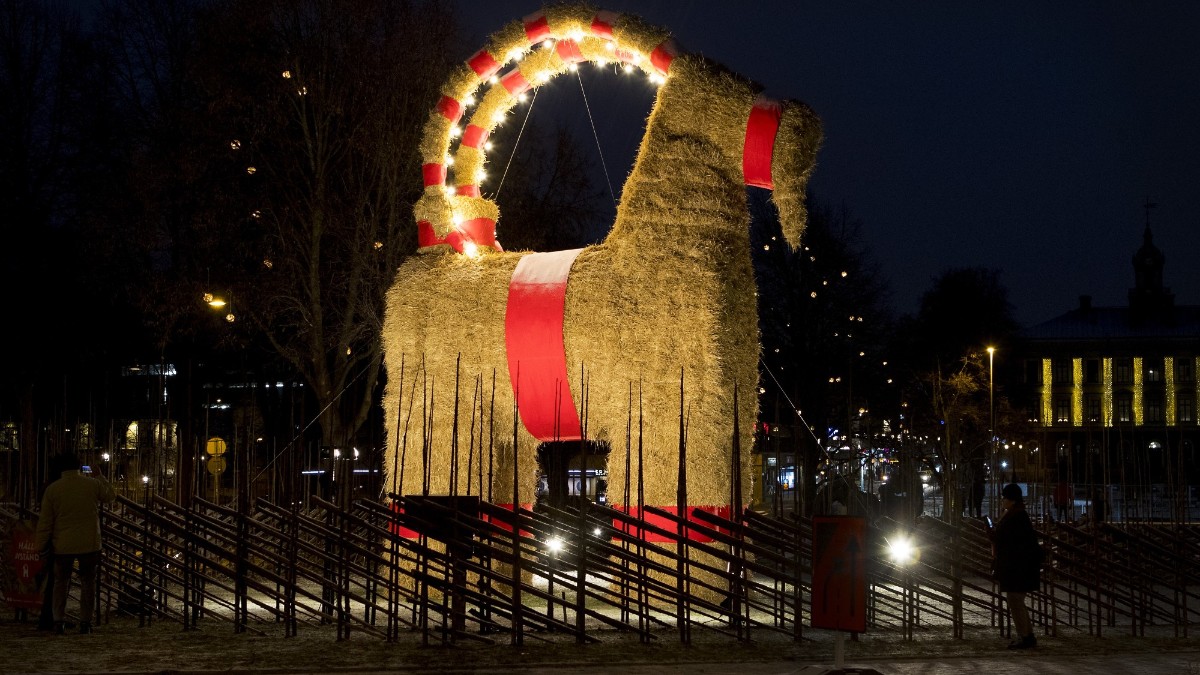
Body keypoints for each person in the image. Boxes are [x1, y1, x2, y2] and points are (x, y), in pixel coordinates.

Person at [34, 452, 116, 634]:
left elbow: (46, 522)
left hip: (62, 543)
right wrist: (100, 476)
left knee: (60, 582)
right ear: (79, 466)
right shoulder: (92, 485)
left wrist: (39, 546)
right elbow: (110, 495)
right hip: (89, 542)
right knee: (88, 582)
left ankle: (58, 620)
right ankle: (85, 622)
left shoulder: (53, 489)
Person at [992, 483, 1042, 649]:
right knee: (1017, 602)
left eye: (1004, 498)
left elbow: (1012, 542)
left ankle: (1025, 636)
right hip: (1017, 566)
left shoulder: (1016, 517)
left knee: (1015, 601)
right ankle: (1027, 635)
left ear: (1011, 500)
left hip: (1017, 567)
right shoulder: (1015, 515)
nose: (1002, 501)